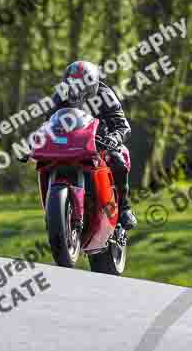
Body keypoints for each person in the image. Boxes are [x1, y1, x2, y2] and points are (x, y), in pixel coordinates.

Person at [31, 61, 137, 231]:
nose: (77, 89)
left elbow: (122, 125)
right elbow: (48, 123)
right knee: (46, 161)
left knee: (118, 159)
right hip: (70, 141)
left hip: (100, 142)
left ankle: (124, 208)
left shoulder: (105, 95)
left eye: (82, 84)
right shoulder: (61, 95)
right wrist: (35, 141)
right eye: (73, 84)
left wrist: (114, 137)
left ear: (93, 84)